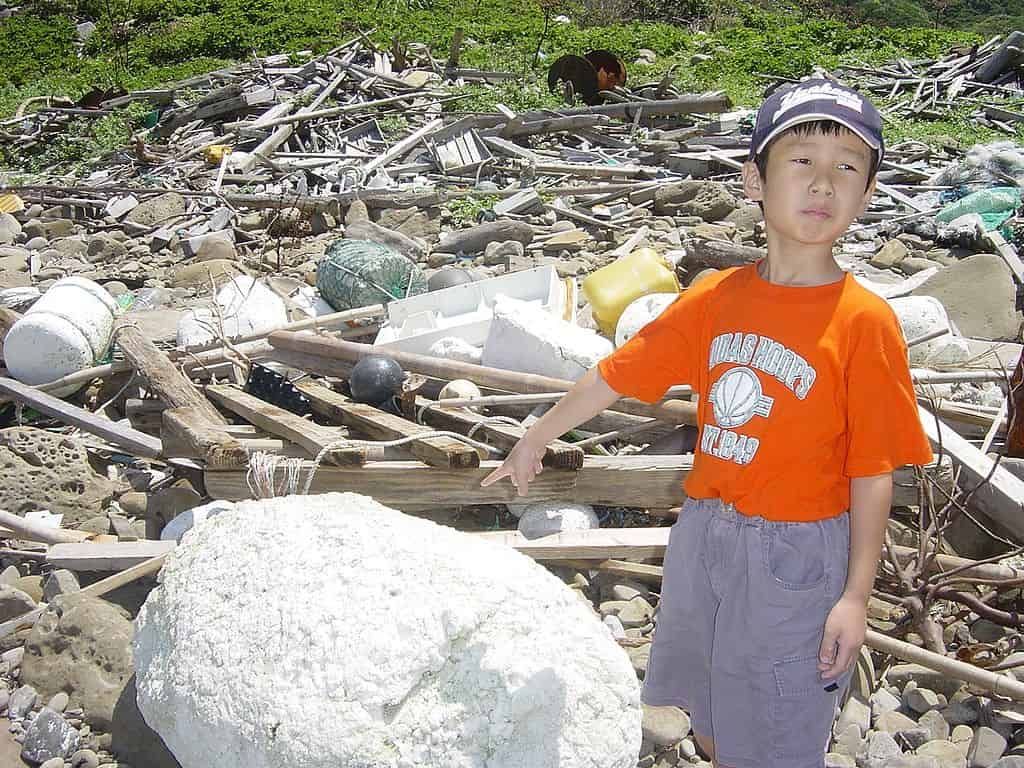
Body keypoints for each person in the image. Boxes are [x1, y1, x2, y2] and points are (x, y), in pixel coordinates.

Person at [481, 78, 933, 768]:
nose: (823, 184)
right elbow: (618, 373)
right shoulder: (715, 296)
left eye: (847, 168)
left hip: (797, 556)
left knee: (779, 731)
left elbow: (872, 469)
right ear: (754, 179)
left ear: (867, 194)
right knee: (712, 710)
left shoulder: (864, 321)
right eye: (801, 161)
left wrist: (854, 598)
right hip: (706, 535)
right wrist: (538, 436)